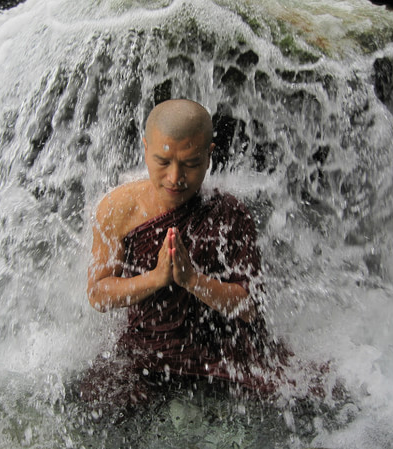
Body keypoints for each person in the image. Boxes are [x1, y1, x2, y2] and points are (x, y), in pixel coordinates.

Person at [79, 99, 293, 409]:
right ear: (145, 149)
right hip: (148, 354)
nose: (175, 177)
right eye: (163, 161)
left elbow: (250, 307)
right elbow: (98, 295)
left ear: (209, 156)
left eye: (191, 163)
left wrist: (193, 280)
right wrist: (155, 279)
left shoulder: (231, 213)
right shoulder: (117, 210)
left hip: (220, 355)